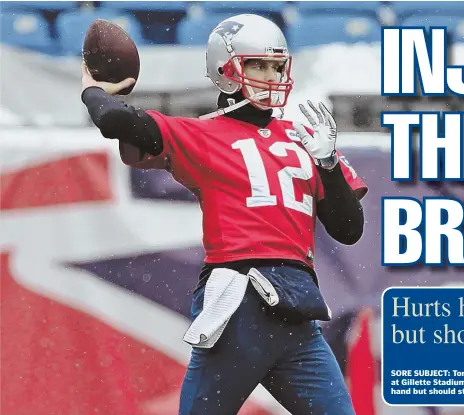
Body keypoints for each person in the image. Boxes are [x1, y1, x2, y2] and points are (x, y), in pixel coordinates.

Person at [80, 13, 367, 415]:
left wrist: (328, 163)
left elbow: (349, 228)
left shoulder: (305, 138)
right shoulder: (202, 134)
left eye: (276, 65)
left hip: (297, 315)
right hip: (239, 306)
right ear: (225, 69)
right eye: (258, 64)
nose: (270, 74)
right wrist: (93, 89)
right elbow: (114, 119)